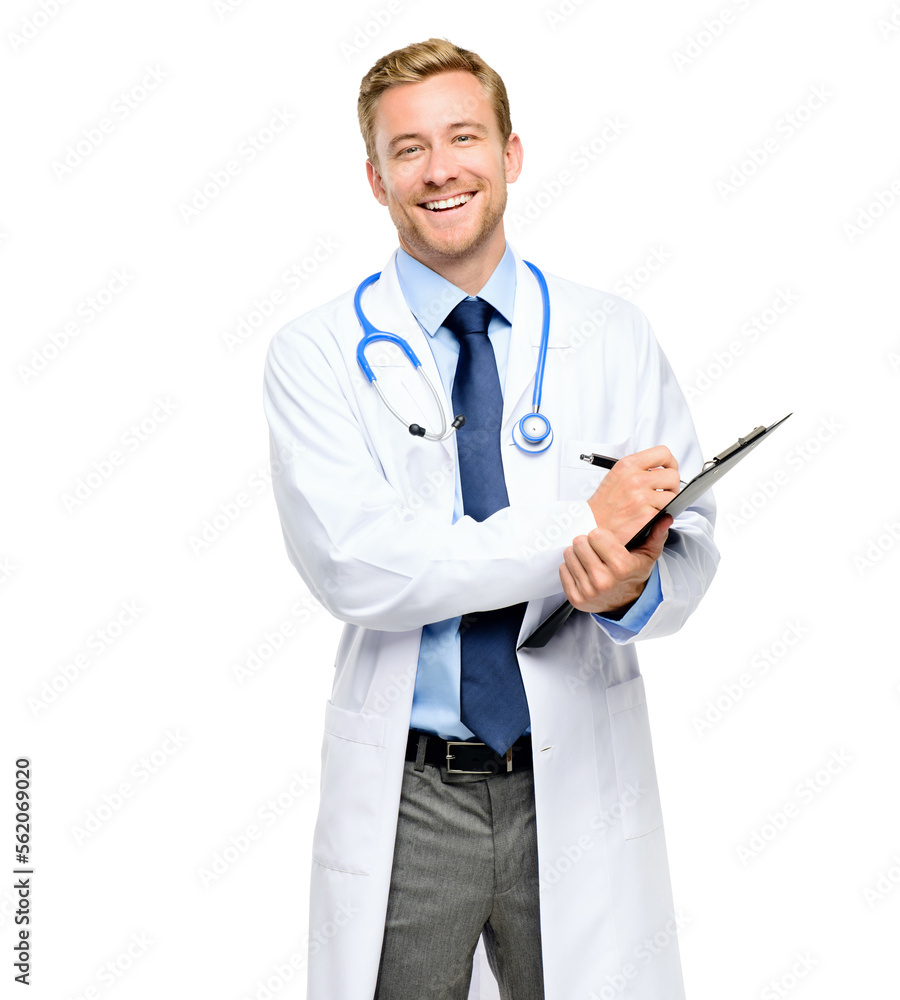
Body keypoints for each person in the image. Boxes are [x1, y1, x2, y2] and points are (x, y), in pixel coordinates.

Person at [263, 37, 718, 1000]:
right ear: (376, 178)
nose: (441, 170)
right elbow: (363, 566)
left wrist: (633, 585)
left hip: (576, 784)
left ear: (510, 155)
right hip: (412, 800)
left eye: (464, 137)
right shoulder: (316, 354)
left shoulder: (613, 333)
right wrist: (574, 528)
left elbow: (692, 542)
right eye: (409, 149)